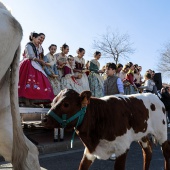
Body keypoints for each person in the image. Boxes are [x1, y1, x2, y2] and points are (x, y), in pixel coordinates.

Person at [18, 32, 55, 106]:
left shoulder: (39, 47)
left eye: (41, 39)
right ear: (33, 38)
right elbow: (30, 56)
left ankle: (32, 101)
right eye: (38, 39)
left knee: (39, 81)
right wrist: (40, 61)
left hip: (36, 63)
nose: (39, 40)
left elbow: (39, 56)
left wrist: (41, 62)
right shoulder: (29, 45)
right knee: (28, 81)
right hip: (29, 63)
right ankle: (25, 100)